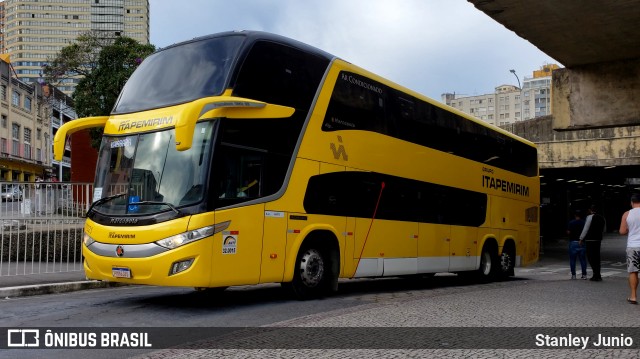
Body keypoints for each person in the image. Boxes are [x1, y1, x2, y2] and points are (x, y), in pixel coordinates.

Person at [619, 194, 640, 304]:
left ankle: (633, 296)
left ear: (632, 202)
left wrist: (630, 229)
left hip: (633, 246)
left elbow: (622, 231)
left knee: (633, 272)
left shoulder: (627, 214)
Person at [579, 204, 606, 281]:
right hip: (598, 240)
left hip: (590, 240)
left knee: (591, 257)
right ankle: (598, 274)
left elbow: (586, 228)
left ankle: (595, 274)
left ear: (590, 210)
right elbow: (604, 229)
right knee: (597, 257)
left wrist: (581, 238)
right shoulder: (602, 218)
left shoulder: (589, 217)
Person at [567, 210, 587, 279]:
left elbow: (568, 232)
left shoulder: (571, 222)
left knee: (572, 260)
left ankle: (573, 275)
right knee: (583, 260)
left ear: (575, 215)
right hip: (582, 242)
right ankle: (584, 275)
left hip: (573, 243)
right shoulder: (584, 223)